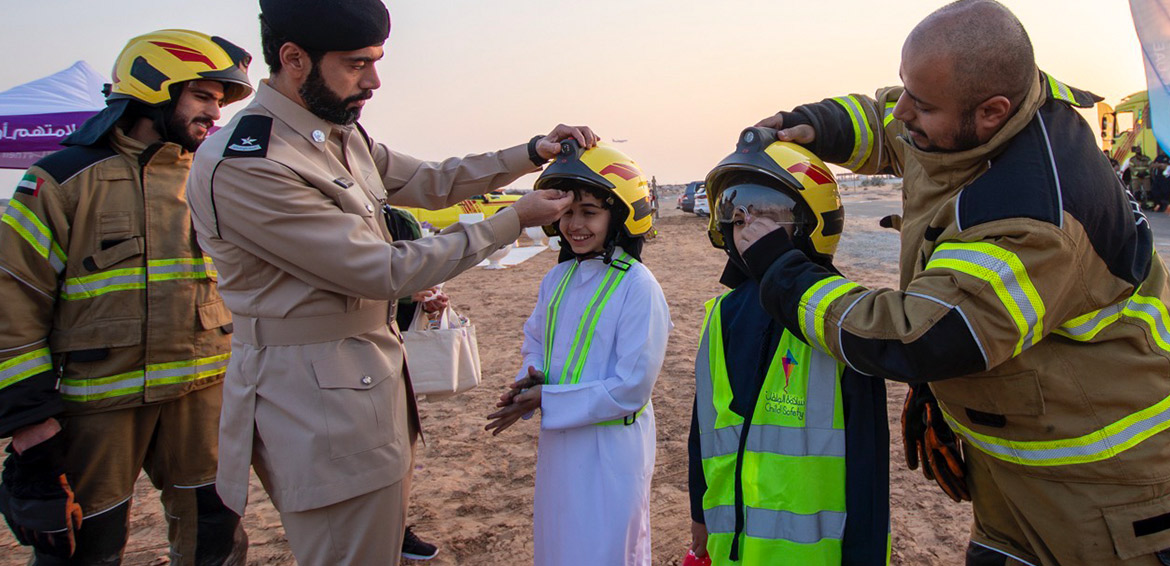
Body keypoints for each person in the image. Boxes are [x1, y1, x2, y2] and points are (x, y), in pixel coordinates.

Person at [742, 1, 1170, 564]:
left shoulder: (1031, 219)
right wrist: (817, 123)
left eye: (920, 105)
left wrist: (779, 268)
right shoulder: (972, 119)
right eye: (906, 90)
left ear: (992, 111)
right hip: (1015, 466)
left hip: (1102, 491)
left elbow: (915, 337)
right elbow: (887, 123)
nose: (902, 115)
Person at [184, 0, 596, 563]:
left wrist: (528, 153)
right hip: (315, 407)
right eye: (358, 64)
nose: (374, 81)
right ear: (294, 59)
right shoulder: (251, 162)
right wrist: (513, 221)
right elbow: (384, 270)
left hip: (363, 384)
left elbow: (430, 180)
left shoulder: (333, 130)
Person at [0, 30, 252, 565]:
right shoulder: (61, 180)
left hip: (204, 397)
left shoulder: (214, 180)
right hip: (95, 406)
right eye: (203, 96)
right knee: (82, 548)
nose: (215, 113)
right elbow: (11, 304)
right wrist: (30, 424)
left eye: (219, 102)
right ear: (155, 87)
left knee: (216, 538)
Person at [687, 132, 889, 565]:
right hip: (730, 550)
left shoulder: (841, 320)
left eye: (767, 220)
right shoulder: (720, 315)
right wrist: (697, 515)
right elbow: (701, 430)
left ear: (812, 223)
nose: (749, 234)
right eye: (739, 221)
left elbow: (868, 469)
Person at [485, 141, 671, 566]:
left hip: (611, 448)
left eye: (590, 212)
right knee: (559, 542)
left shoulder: (637, 285)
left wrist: (547, 399)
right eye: (568, 212)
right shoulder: (558, 278)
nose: (575, 224)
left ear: (620, 216)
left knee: (606, 548)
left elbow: (631, 389)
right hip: (560, 441)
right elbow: (535, 340)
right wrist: (529, 382)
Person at [1151, 149, 1170, 213]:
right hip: (1158, 177)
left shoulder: (1168, 157)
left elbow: (1166, 167)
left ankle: (1165, 207)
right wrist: (1160, 165)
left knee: (1166, 192)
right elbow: (1153, 165)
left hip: (1166, 178)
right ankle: (1158, 206)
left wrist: (1162, 166)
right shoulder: (1159, 157)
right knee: (1156, 192)